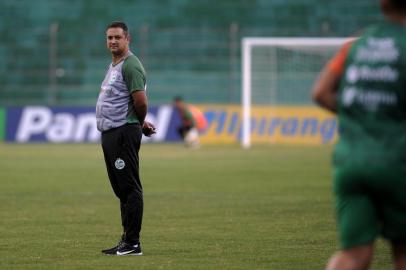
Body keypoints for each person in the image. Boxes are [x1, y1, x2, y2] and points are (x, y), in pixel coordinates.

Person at [312, 1, 406, 269]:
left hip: (351, 161)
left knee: (353, 254)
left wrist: (361, 117)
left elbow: (320, 93)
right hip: (397, 161)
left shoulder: (356, 44)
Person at [96, 21, 156, 256]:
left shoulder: (131, 65)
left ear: (127, 39)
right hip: (112, 133)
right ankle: (126, 240)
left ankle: (133, 243)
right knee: (121, 188)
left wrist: (138, 123)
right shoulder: (114, 65)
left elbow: (140, 101)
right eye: (109, 37)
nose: (112, 41)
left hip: (123, 132)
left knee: (130, 187)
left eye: (117, 37)